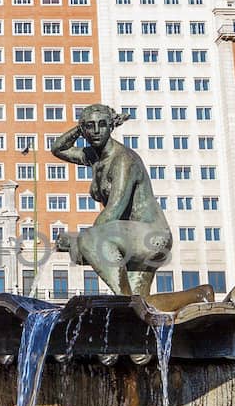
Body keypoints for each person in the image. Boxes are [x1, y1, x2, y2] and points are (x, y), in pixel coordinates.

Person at [51, 104, 172, 296]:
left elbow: (113, 210)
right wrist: (79, 129)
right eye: (90, 126)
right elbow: (58, 149)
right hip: (127, 237)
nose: (96, 131)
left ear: (111, 126)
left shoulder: (123, 160)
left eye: (102, 124)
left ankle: (123, 307)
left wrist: (82, 241)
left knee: (91, 239)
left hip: (151, 237)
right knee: (142, 305)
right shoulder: (93, 157)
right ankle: (198, 295)